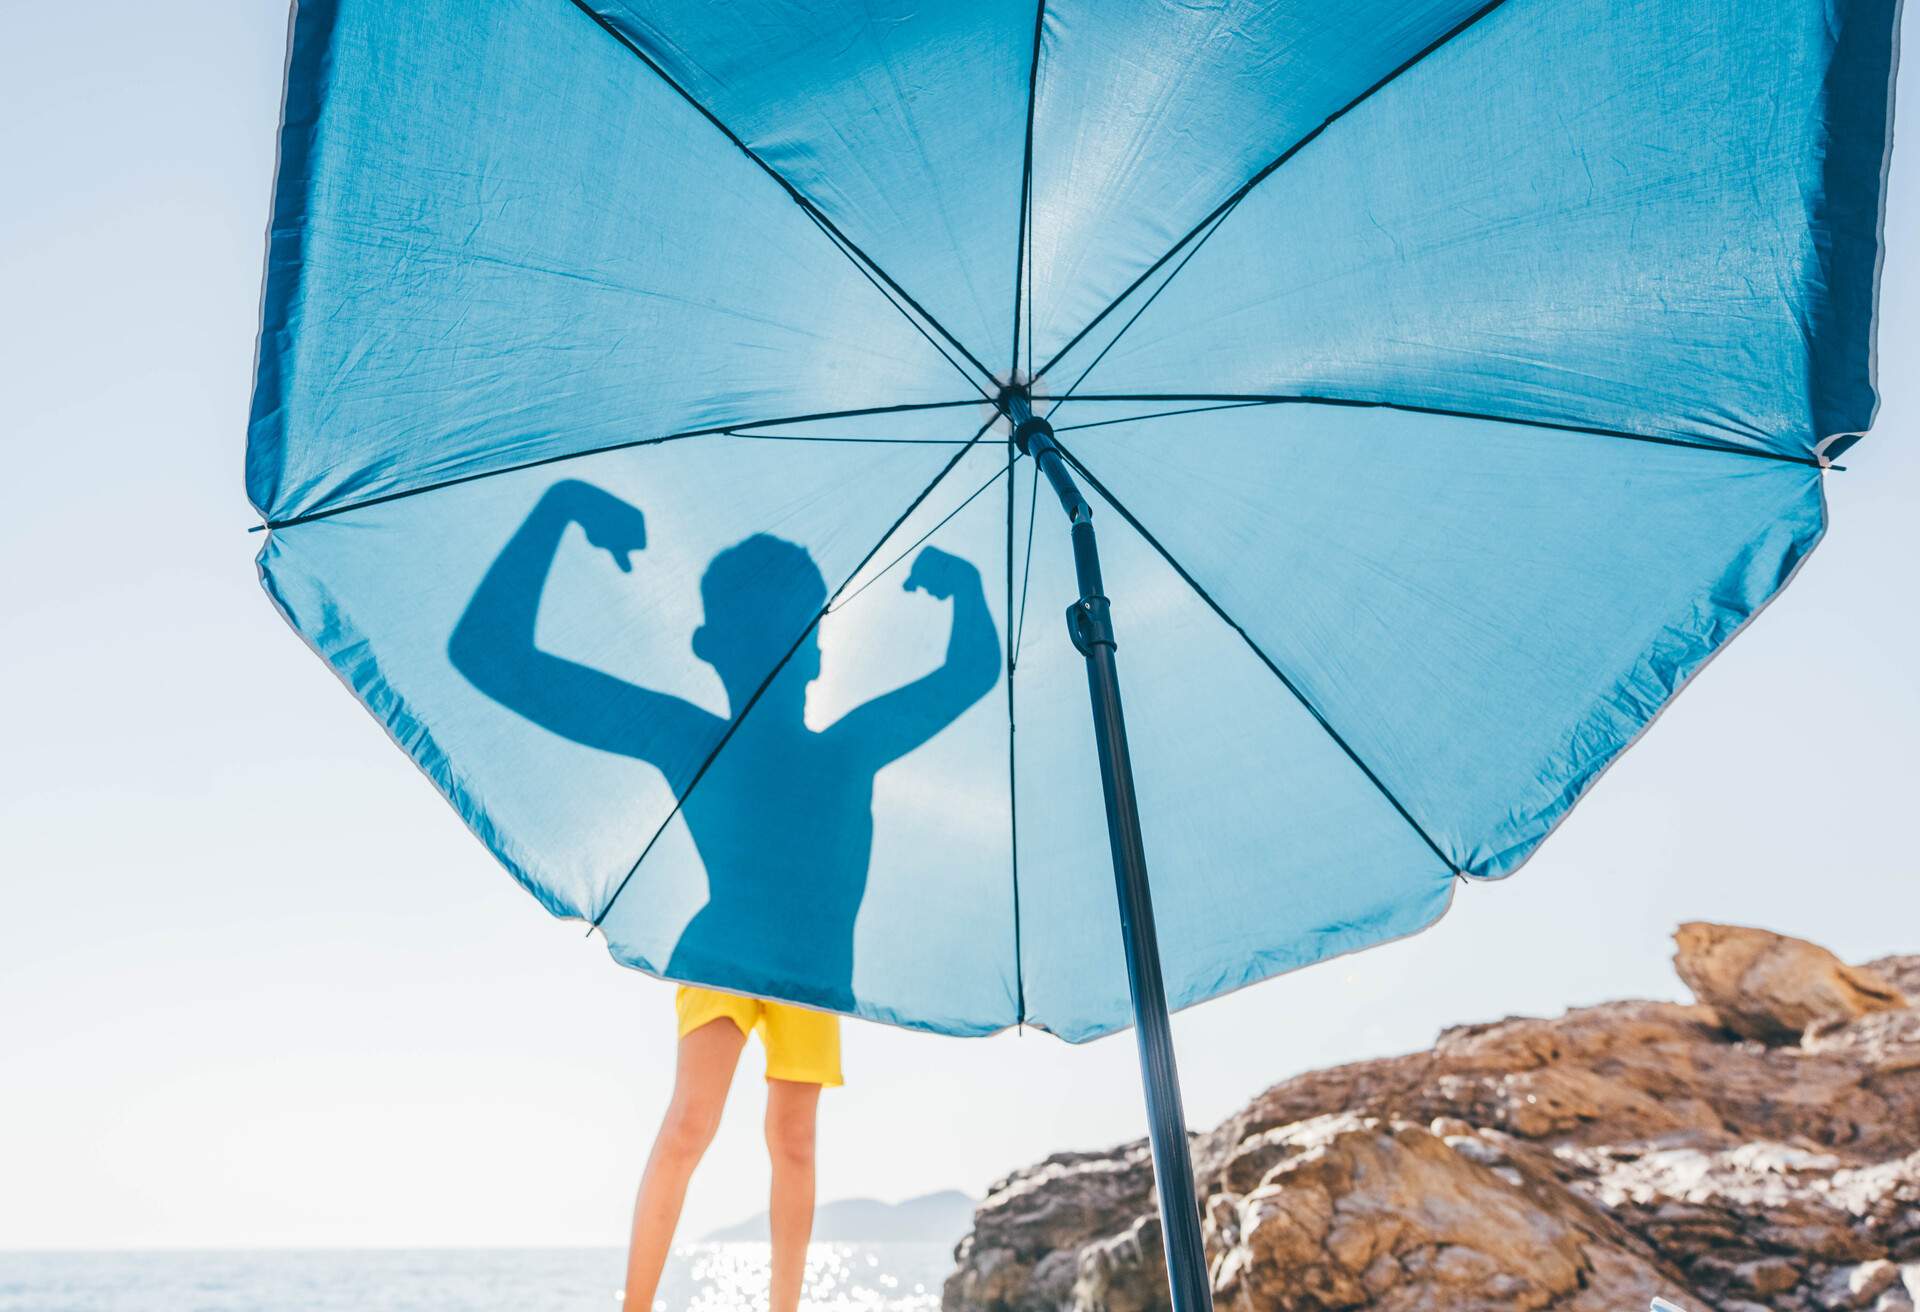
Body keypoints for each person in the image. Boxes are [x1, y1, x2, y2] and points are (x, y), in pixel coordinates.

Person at [449, 478, 999, 1312]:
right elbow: (488, 655)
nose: (787, 650)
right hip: (725, 949)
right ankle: (634, 1307)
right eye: (765, 634)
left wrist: (971, 590)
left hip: (810, 969)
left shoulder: (846, 748)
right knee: (691, 1126)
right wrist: (559, 505)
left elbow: (972, 671)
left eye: (800, 633)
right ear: (708, 645)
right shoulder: (690, 739)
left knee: (793, 1141)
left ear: (819, 647)